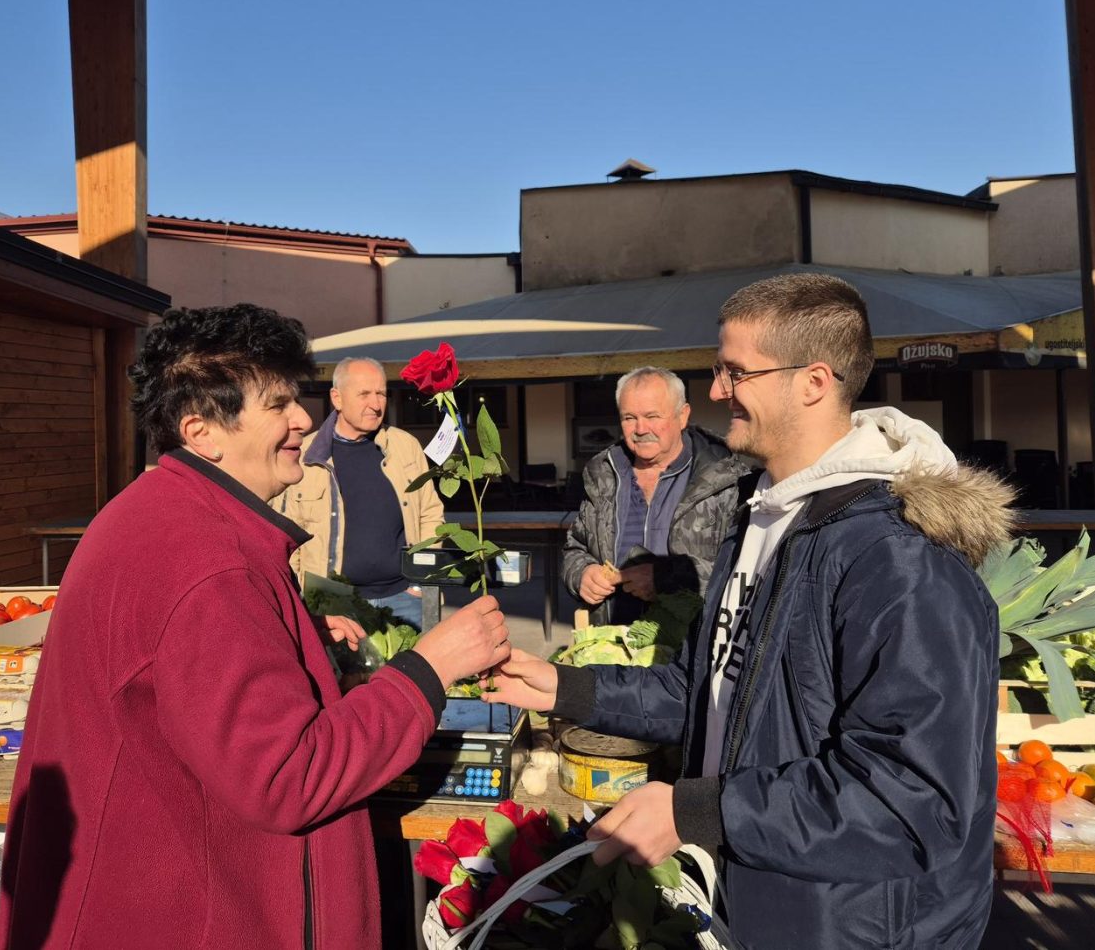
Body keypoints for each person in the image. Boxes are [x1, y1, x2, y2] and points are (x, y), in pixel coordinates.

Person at [487, 274, 1014, 950]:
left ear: (813, 381)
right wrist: (567, 689)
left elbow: (911, 799)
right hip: (760, 903)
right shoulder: (763, 519)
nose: (715, 392)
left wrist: (698, 811)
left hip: (851, 928)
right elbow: (707, 693)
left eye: (736, 372)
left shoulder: (898, 559)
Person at [0, 305, 509, 950]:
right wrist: (427, 670)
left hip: (148, 892)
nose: (303, 420)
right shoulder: (210, 563)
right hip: (194, 914)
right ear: (202, 431)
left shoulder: (161, 513)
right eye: (278, 405)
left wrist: (288, 635)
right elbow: (288, 779)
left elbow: (180, 670)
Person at [562, 366, 750, 624]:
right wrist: (581, 573)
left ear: (682, 416)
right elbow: (576, 547)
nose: (640, 428)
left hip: (690, 640)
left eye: (652, 416)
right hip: (613, 640)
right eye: (629, 418)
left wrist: (667, 581)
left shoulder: (727, 480)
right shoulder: (603, 475)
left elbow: (744, 571)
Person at [273, 356, 444, 630]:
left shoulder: (406, 447)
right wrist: (300, 595)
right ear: (337, 398)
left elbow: (430, 514)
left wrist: (421, 583)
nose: (376, 404)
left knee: (416, 660)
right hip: (332, 601)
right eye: (364, 394)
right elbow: (286, 536)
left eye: (381, 394)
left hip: (404, 597)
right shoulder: (304, 456)